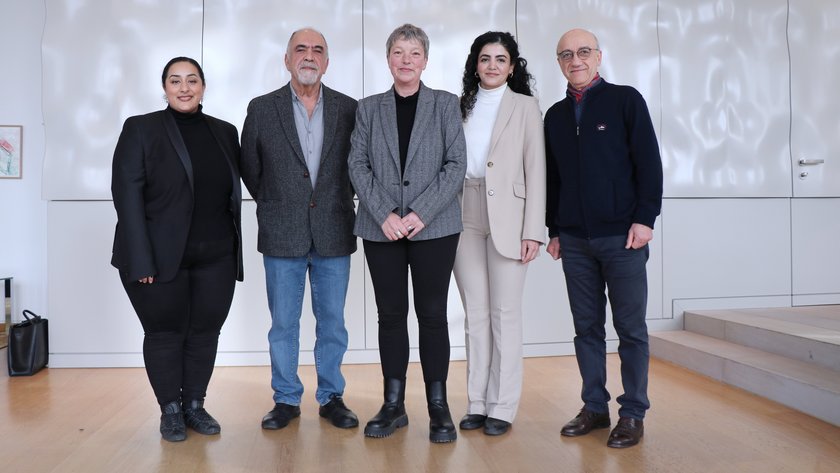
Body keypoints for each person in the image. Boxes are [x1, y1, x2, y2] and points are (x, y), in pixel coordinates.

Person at [111, 56, 243, 442]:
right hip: (157, 257)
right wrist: (140, 258)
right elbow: (126, 195)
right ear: (164, 87)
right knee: (165, 333)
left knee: (205, 333)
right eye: (175, 81)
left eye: (192, 80)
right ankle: (170, 410)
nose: (184, 88)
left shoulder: (225, 131)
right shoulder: (141, 128)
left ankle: (195, 407)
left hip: (216, 255)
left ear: (203, 86)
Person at [544, 28, 663, 448]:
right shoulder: (555, 116)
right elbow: (553, 179)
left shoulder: (626, 100)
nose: (575, 60)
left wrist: (645, 218)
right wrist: (553, 229)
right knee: (586, 328)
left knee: (630, 328)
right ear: (559, 63)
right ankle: (594, 406)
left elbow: (648, 162)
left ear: (598, 56)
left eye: (583, 52)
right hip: (574, 241)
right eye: (566, 55)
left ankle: (632, 413)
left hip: (623, 236)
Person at [348, 23, 467, 443]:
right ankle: (393, 404)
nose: (406, 60)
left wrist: (421, 212)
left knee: (433, 316)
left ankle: (438, 406)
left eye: (414, 53)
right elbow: (357, 165)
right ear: (388, 59)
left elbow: (456, 165)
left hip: (435, 228)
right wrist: (384, 214)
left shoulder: (445, 105)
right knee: (391, 316)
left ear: (425, 61)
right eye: (398, 52)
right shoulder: (368, 108)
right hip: (381, 230)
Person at [241, 28, 359, 431]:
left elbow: (358, 167)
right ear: (287, 59)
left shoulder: (349, 108)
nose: (309, 56)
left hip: (334, 230)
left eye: (318, 50)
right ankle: (286, 399)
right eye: (301, 50)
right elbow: (250, 169)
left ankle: (331, 397)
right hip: (281, 232)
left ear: (327, 61)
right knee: (283, 324)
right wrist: (279, 204)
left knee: (333, 323)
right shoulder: (261, 108)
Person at [453, 31, 545, 436]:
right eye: (485, 58)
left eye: (500, 59)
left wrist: (534, 230)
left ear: (512, 66)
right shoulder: (459, 106)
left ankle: (503, 406)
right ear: (476, 64)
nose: (492, 65)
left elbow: (536, 170)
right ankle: (477, 401)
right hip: (464, 213)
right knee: (475, 314)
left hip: (511, 215)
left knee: (505, 314)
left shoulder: (526, 107)